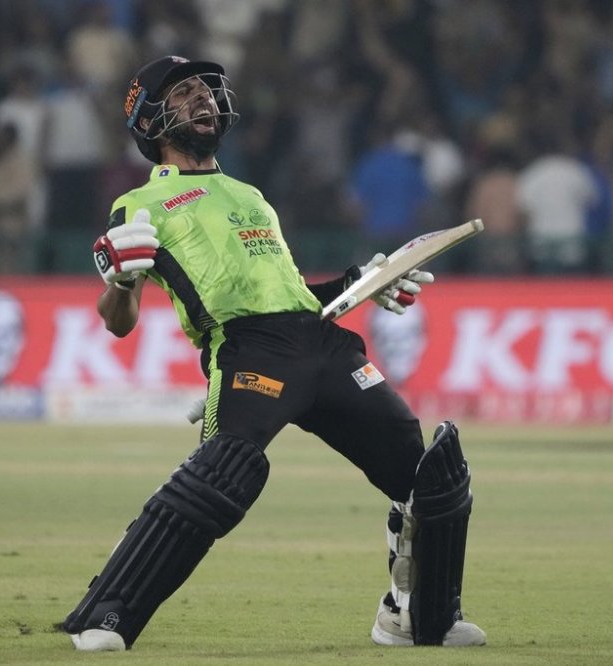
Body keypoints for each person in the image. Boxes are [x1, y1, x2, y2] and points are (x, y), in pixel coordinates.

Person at [60, 55, 486, 652]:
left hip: (322, 345)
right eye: (183, 92)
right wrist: (120, 281)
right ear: (149, 119)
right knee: (221, 475)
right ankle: (104, 613)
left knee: (429, 477)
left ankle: (417, 618)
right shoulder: (139, 205)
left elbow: (292, 299)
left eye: (207, 88)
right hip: (247, 352)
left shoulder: (252, 196)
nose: (203, 97)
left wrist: (364, 282)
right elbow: (118, 323)